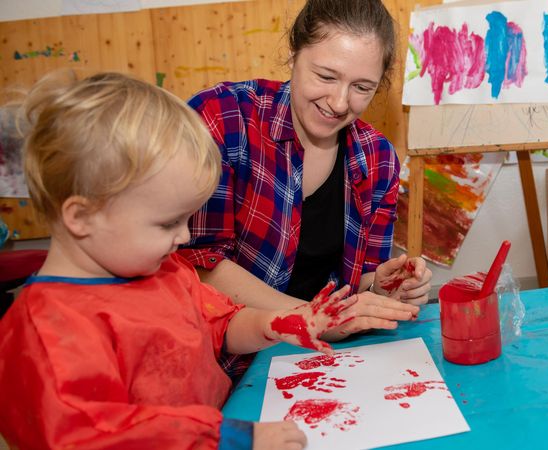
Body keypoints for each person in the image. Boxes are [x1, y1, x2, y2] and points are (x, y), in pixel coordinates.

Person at [0, 71, 359, 449]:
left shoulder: (165, 269)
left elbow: (218, 326)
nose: (186, 236)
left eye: (187, 218)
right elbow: (101, 436)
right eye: (168, 222)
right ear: (82, 217)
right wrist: (230, 439)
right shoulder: (48, 329)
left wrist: (275, 323)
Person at [180, 0, 431, 349]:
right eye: (326, 76)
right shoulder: (224, 117)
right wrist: (316, 319)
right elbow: (198, 265)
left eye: (362, 88)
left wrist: (382, 287)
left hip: (327, 354)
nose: (340, 102)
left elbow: (362, 277)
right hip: (227, 354)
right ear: (295, 52)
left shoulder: (378, 158)